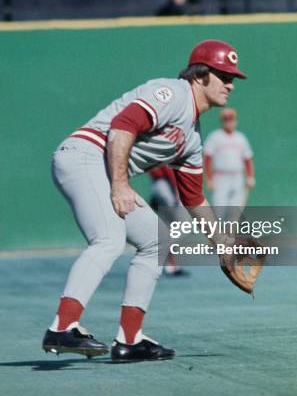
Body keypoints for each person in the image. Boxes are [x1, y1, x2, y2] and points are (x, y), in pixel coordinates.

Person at [42, 39, 247, 362]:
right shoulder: (173, 93)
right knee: (109, 238)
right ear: (200, 75)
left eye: (233, 78)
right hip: (85, 154)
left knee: (158, 240)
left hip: (102, 167)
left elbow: (193, 197)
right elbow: (123, 125)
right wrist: (121, 184)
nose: (230, 85)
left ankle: (130, 339)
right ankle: (62, 327)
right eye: (223, 75)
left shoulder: (192, 138)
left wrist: (222, 242)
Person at [203, 108, 255, 219]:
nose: (229, 122)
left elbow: (248, 160)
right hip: (220, 177)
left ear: (235, 121)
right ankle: (215, 235)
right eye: (226, 120)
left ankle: (230, 235)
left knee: (235, 210)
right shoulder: (215, 137)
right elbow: (207, 159)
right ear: (222, 121)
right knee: (218, 209)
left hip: (237, 177)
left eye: (231, 119)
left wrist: (250, 176)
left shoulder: (241, 138)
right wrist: (209, 179)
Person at [148, 165, 190, 277]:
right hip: (167, 186)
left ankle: (171, 265)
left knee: (170, 227)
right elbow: (168, 168)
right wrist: (176, 190)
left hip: (159, 185)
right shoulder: (166, 148)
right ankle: (158, 250)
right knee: (184, 225)